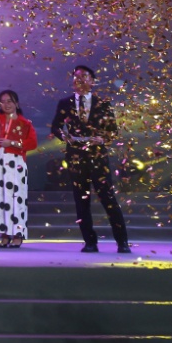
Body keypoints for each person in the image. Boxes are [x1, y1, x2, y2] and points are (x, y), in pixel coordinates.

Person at [51, 65, 130, 253]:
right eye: (76, 76)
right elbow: (55, 127)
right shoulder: (65, 102)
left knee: (108, 198)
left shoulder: (102, 103)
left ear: (92, 81)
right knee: (81, 201)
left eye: (84, 76)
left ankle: (122, 242)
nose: (79, 79)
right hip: (76, 156)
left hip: (97, 156)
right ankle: (90, 242)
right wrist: (65, 137)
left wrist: (102, 138)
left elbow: (112, 130)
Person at [0, 87, 38, 248]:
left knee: (16, 197)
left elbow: (32, 143)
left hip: (15, 163)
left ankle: (17, 233)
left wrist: (12, 143)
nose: (6, 104)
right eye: (3, 102)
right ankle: (4, 232)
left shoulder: (25, 123)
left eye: (10, 101)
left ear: (16, 103)